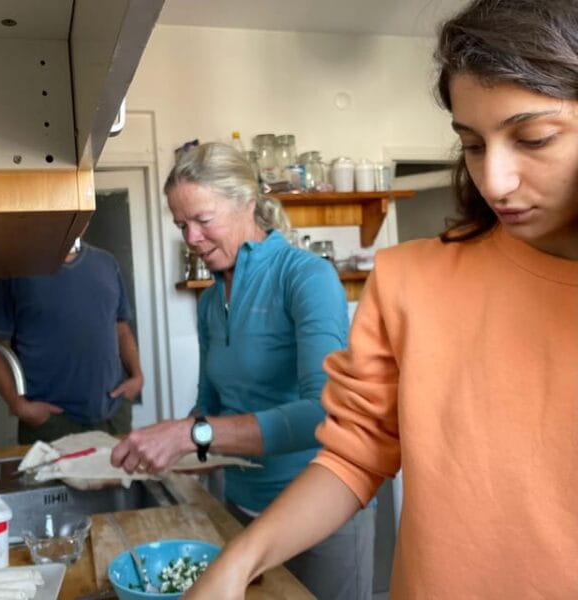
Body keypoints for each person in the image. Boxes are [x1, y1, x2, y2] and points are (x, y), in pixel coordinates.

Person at [182, 1, 578, 598]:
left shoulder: (301, 274)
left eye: (533, 138)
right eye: (472, 145)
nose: (494, 181)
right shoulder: (410, 284)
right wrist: (236, 563)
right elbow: (352, 454)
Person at [110, 142, 376, 599]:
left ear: (247, 203)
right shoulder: (212, 300)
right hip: (241, 510)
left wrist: (190, 435)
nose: (191, 237)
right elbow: (209, 407)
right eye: (180, 224)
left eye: (202, 220)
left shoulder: (306, 277)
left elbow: (324, 413)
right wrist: (168, 442)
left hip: (318, 516)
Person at [0, 235, 144, 443]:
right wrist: (19, 406)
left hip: (113, 416)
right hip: (50, 424)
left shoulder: (107, 263)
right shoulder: (16, 269)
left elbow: (121, 329)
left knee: (117, 476)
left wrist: (137, 376)